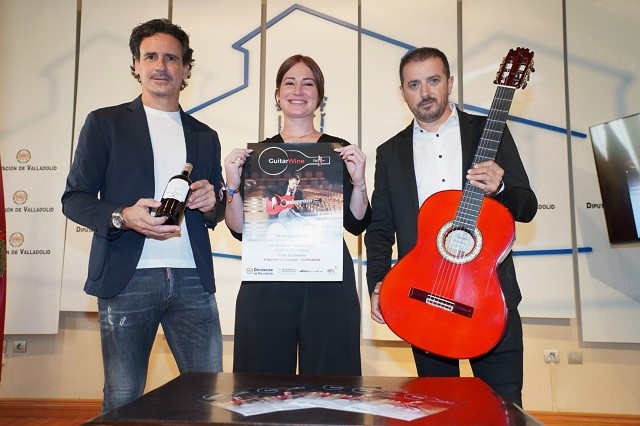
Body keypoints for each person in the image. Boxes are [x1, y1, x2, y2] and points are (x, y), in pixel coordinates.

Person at [61, 18, 225, 412]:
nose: (161, 65)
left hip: (194, 281)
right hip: (127, 279)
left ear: (186, 69)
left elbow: (216, 209)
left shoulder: (205, 135)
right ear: (136, 64)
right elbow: (74, 198)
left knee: (209, 398)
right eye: (151, 56)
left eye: (171, 58)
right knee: (123, 398)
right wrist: (123, 216)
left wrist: (211, 203)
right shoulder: (105, 123)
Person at [365, 47, 537, 406]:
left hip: (489, 301)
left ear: (450, 82)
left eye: (433, 80)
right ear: (402, 92)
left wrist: (501, 189)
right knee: (436, 408)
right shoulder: (390, 152)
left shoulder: (489, 132)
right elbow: (380, 228)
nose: (425, 92)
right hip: (424, 301)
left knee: (503, 408)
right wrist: (378, 283)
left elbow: (526, 206)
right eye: (414, 84)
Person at [224, 54, 371, 375]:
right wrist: (232, 185)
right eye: (290, 83)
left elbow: (357, 223)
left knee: (332, 384)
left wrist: (359, 182)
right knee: (260, 384)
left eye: (308, 83)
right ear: (277, 95)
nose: (298, 90)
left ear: (319, 96)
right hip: (269, 280)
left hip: (328, 280)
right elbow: (239, 229)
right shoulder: (257, 156)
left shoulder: (338, 151)